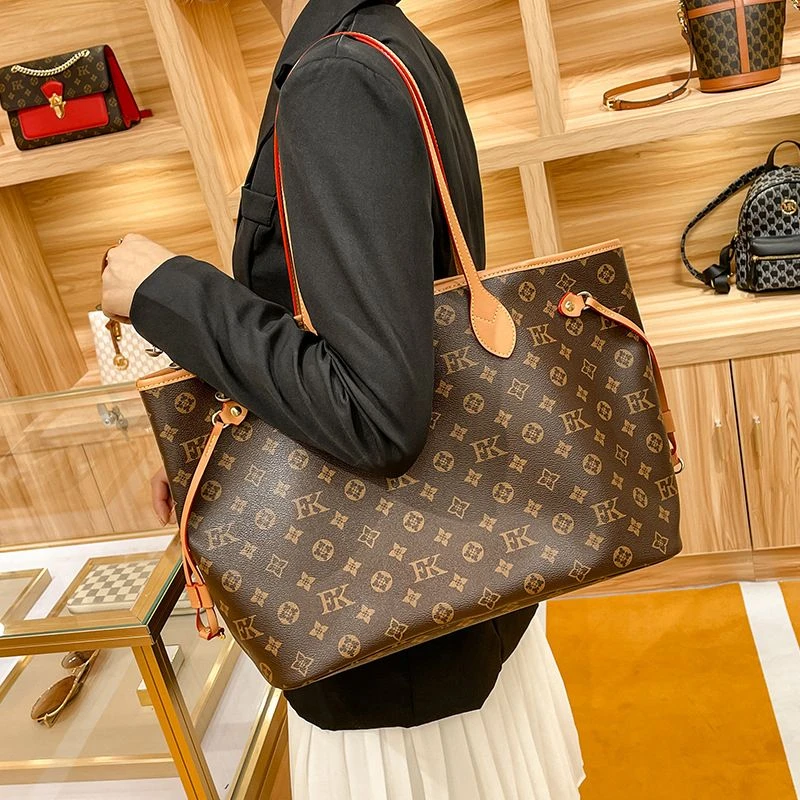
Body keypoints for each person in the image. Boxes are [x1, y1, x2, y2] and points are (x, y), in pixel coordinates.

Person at [102, 0, 585, 797]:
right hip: (448, 583)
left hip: (394, 640)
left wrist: (168, 290)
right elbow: (376, 332)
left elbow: (377, 412)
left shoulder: (337, 77)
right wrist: (224, 431)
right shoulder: (378, 41)